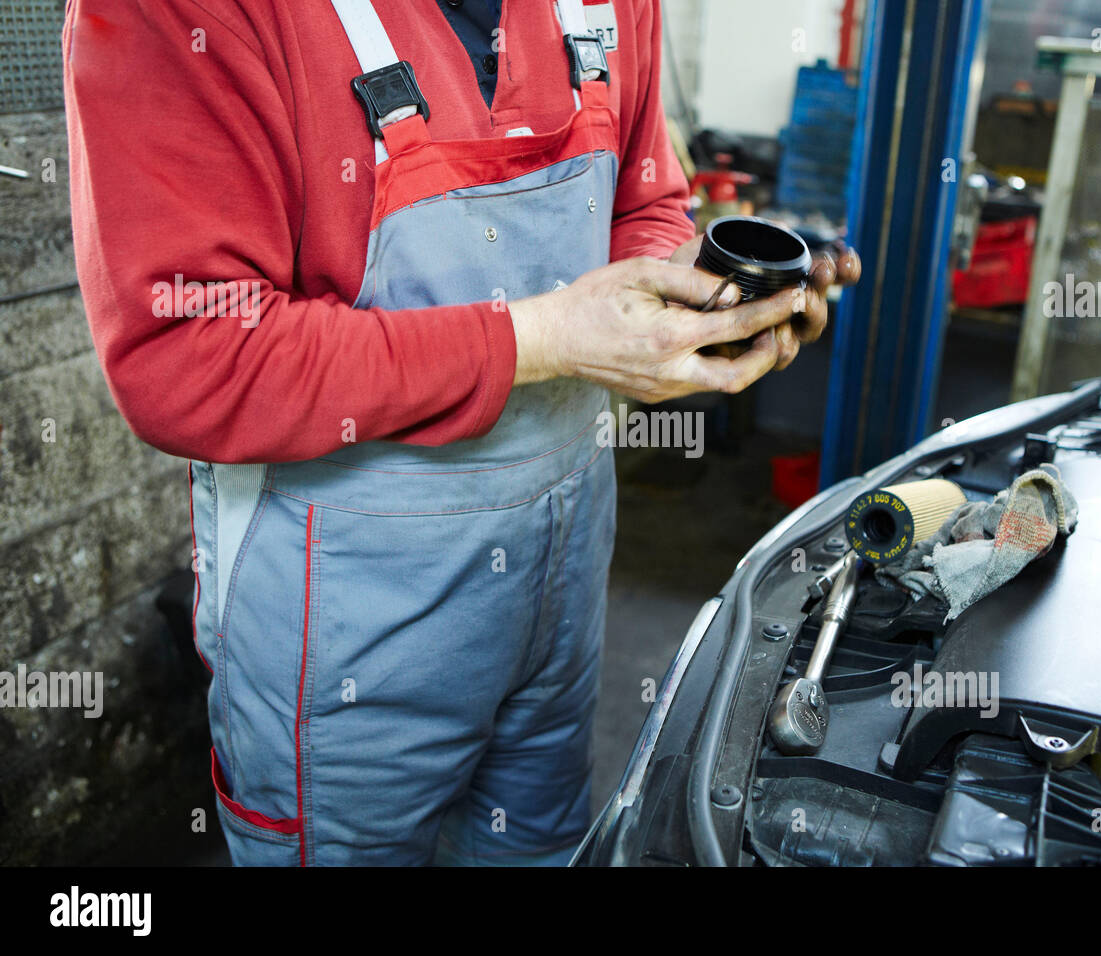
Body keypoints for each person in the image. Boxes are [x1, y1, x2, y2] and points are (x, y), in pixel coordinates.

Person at [64, 0, 861, 865]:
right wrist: (544, 337)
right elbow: (191, 356)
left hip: (562, 591)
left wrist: (693, 294)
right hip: (349, 636)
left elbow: (645, 201)